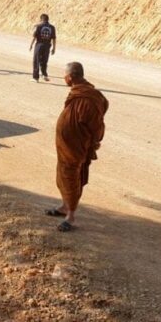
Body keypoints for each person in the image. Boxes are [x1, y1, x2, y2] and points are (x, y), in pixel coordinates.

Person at [48, 62, 109, 232]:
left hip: (77, 147)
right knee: (63, 175)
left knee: (72, 177)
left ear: (71, 77)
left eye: (65, 76)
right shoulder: (79, 92)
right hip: (67, 146)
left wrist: (94, 142)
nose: (64, 78)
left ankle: (71, 216)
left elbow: (96, 125)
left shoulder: (89, 98)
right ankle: (64, 206)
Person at [29, 13, 56, 82]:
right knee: (44, 61)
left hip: (39, 45)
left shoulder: (39, 26)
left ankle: (35, 77)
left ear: (41, 19)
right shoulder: (52, 27)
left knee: (36, 60)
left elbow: (34, 37)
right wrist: (54, 48)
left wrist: (31, 45)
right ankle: (44, 75)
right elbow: (54, 39)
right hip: (47, 46)